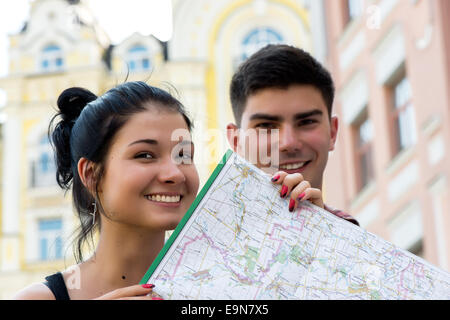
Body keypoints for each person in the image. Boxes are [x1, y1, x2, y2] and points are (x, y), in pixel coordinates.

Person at [13, 81, 200, 300]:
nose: (175, 174)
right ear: (91, 175)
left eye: (183, 155)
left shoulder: (229, 291)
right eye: (145, 155)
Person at [227, 44, 359, 226]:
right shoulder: (201, 239)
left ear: (332, 132)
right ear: (236, 141)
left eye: (307, 122)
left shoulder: (359, 246)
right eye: (265, 126)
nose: (288, 142)